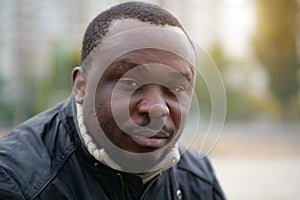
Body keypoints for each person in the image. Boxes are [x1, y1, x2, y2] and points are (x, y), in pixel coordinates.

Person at [0, 1, 225, 199]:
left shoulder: (199, 178)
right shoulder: (14, 181)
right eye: (129, 82)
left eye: (175, 87)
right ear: (81, 86)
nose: (157, 108)